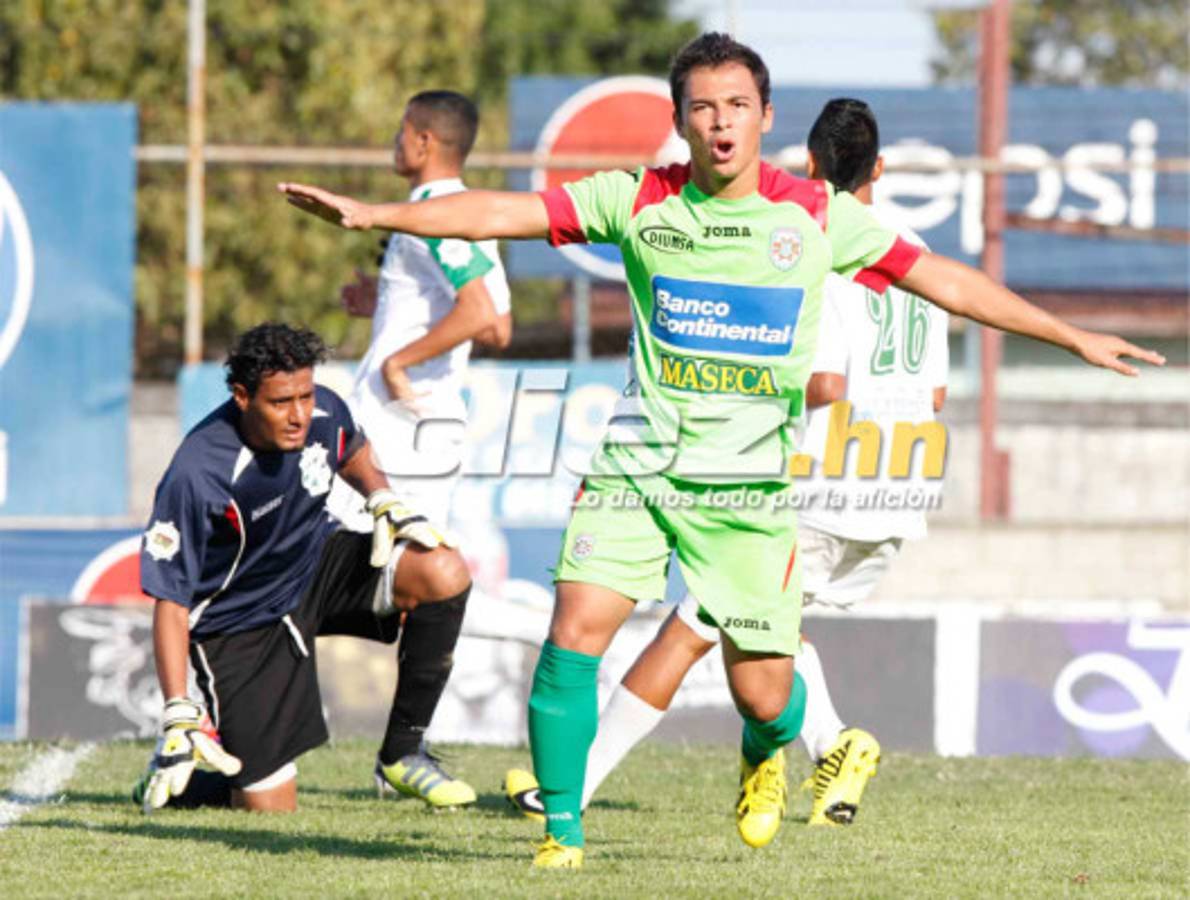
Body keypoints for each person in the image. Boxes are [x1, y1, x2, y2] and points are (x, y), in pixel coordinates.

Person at [279, 33, 1162, 868]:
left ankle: (768, 749)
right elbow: (503, 211)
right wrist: (372, 214)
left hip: (746, 491)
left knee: (767, 698)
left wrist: (1071, 335)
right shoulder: (638, 197)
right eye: (702, 107)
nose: (721, 121)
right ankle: (562, 834)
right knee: (575, 634)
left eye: (737, 103)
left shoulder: (815, 214)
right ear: (681, 119)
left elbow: (950, 283)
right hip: (636, 463)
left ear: (766, 116)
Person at [502, 96, 948, 830]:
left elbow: (826, 384)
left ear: (807, 165)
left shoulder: (811, 237)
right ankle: (817, 744)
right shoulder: (913, 252)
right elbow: (932, 390)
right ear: (883, 167)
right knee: (766, 631)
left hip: (811, 478)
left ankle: (574, 794)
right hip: (897, 482)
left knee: (685, 635)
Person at [133, 323, 471, 814]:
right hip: (241, 623)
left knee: (443, 570)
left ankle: (402, 754)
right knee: (271, 809)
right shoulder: (198, 472)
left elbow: (349, 447)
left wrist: (380, 495)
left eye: (305, 396)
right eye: (280, 402)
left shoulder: (323, 408)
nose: (299, 416)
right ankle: (185, 790)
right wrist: (178, 709)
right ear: (242, 396)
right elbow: (171, 599)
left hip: (316, 564)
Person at [332, 89, 512, 809]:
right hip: (425, 430)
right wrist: (384, 296)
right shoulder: (463, 213)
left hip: (398, 430)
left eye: (401, 129)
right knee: (404, 584)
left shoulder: (436, 216)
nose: (393, 140)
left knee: (319, 570)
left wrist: (399, 361)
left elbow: (485, 317)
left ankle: (395, 751)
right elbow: (489, 316)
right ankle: (400, 752)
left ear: (424, 140)